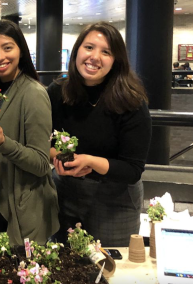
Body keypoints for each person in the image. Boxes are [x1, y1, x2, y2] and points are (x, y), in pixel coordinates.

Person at [47, 21, 152, 247]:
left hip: (115, 199)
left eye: (106, 52)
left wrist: (90, 162)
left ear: (116, 61)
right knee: (63, 266)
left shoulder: (131, 101)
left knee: (110, 272)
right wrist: (57, 156)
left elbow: (133, 169)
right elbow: (40, 139)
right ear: (76, 52)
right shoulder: (58, 92)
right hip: (64, 190)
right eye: (89, 47)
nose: (95, 57)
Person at [0, 19, 59, 246]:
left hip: (22, 206)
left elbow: (41, 163)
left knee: (22, 275)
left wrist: (3, 143)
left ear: (21, 50)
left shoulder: (33, 93)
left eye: (7, 47)